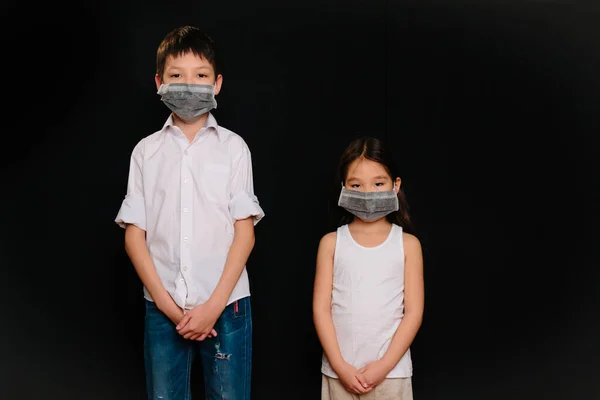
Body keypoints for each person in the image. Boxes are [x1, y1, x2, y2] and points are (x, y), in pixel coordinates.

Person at [114, 25, 264, 400]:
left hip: (227, 307)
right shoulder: (145, 151)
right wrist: (170, 307)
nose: (188, 84)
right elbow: (135, 236)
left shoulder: (234, 148)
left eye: (200, 76)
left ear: (217, 84)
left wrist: (212, 306)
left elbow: (245, 233)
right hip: (163, 308)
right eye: (176, 76)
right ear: (159, 82)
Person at [313, 136, 424, 399]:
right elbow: (321, 309)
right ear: (344, 188)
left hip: (392, 375)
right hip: (339, 373)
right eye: (356, 185)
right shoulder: (331, 243)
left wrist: (383, 367)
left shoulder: (408, 245)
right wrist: (340, 366)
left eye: (378, 183)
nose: (368, 193)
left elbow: (413, 313)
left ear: (395, 185)